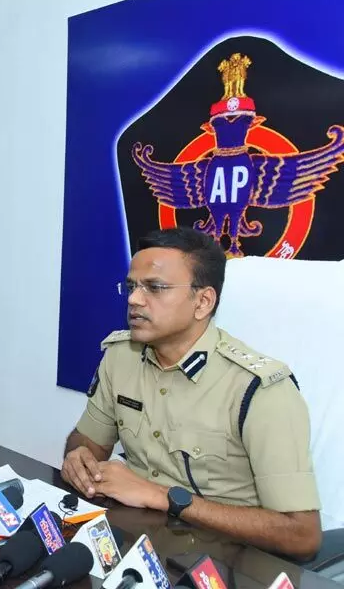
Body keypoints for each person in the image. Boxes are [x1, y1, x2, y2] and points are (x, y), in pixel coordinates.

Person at [61, 227, 322, 561]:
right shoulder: (120, 356)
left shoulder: (258, 390)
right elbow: (88, 442)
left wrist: (162, 496)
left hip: (228, 562)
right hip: (137, 544)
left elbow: (301, 535)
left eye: (154, 288)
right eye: (131, 287)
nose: (134, 300)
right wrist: (79, 458)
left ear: (203, 301)